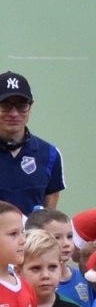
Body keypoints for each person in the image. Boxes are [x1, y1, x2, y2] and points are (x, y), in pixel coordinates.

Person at [0, 73, 64, 214]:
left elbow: (48, 217)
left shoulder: (50, 154)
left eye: (22, 106)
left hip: (32, 236)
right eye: (5, 106)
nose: (14, 113)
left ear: (30, 108)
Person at [27, 208, 93, 307]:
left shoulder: (86, 276)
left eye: (70, 236)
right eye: (57, 237)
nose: (66, 243)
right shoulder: (36, 282)